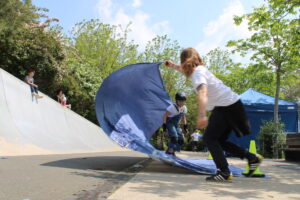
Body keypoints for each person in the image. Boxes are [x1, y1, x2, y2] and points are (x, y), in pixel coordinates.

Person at [165, 48, 263, 182]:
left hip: (225, 107)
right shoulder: (199, 70)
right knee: (219, 140)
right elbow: (184, 70)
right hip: (232, 105)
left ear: (185, 62)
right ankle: (252, 158)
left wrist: (201, 114)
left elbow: (202, 92)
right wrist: (172, 66)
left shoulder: (198, 74)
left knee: (209, 139)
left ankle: (224, 172)